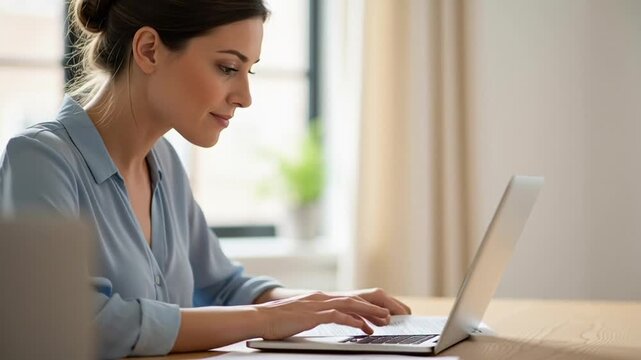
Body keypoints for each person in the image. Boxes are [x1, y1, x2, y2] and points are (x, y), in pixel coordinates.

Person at [0, 0, 411, 358]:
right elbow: (83, 325)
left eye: (249, 71)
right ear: (149, 50)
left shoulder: (163, 163)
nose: (245, 97)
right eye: (228, 67)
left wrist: (324, 305)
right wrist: (267, 320)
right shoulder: (41, 160)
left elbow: (223, 287)